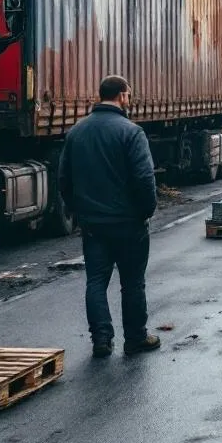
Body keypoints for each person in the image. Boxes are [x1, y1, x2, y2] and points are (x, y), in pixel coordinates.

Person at [59, 75, 161, 358]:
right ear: (123, 95)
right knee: (132, 283)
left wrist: (80, 212)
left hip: (93, 225)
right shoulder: (131, 132)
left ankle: (101, 340)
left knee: (96, 282)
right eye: (129, 95)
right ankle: (135, 338)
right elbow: (144, 179)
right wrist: (145, 212)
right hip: (129, 223)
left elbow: (64, 179)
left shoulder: (77, 132)